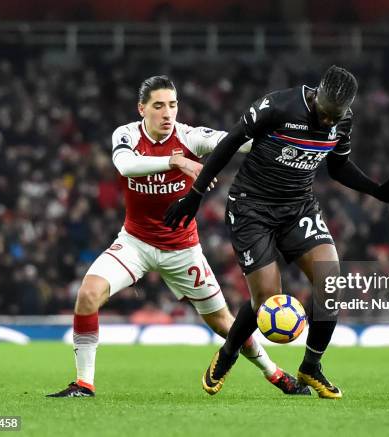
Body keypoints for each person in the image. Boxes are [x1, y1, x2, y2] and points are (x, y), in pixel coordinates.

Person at [165, 66, 389, 399]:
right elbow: (229, 144)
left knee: (330, 282)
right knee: (266, 301)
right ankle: (227, 354)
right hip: (251, 208)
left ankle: (311, 367)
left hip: (298, 208)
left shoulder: (342, 119)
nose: (329, 122)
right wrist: (195, 195)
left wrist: (377, 191)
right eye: (326, 114)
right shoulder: (277, 107)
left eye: (336, 116)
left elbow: (338, 165)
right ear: (317, 97)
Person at [47, 75, 309, 397]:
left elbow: (240, 142)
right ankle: (84, 384)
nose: (167, 113)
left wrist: (287, 137)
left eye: (172, 105)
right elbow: (126, 166)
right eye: (158, 106)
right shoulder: (127, 134)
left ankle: (276, 374)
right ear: (142, 108)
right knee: (88, 296)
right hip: (135, 243)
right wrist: (177, 161)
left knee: (225, 323)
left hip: (182, 249)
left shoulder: (192, 136)